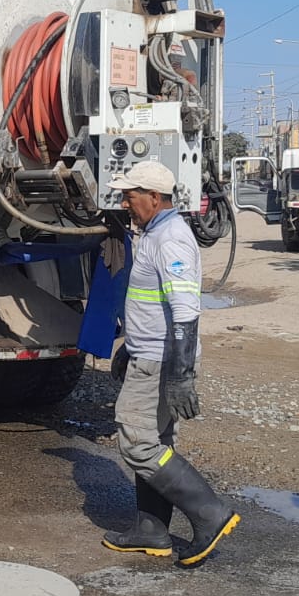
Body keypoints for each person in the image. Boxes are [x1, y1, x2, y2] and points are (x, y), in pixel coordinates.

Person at [99, 160, 239, 568]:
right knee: (157, 440)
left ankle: (210, 512)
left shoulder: (170, 239)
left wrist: (180, 376)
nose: (125, 202)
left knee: (137, 441)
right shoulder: (156, 233)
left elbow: (184, 310)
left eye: (131, 195)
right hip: (151, 353)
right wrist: (132, 346)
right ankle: (151, 530)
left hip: (161, 362)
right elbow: (154, 305)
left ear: (155, 198)